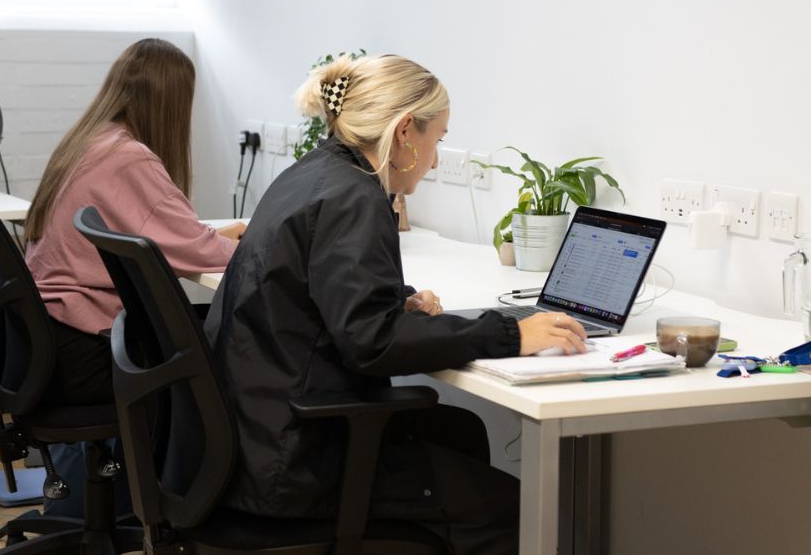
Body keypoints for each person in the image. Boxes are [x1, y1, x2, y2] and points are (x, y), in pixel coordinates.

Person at [204, 53, 587, 553]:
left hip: (250, 437)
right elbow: (373, 344)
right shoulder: (355, 198)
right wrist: (511, 333)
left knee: (460, 430)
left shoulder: (315, 174)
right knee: (522, 510)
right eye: (439, 139)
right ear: (406, 131)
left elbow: (320, 293)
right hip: (291, 462)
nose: (435, 158)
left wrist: (393, 302)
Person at [25, 37, 244, 407]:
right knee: (233, 337)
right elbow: (198, 249)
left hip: (48, 339)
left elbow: (163, 237)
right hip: (84, 353)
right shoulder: (129, 158)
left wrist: (212, 238)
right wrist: (259, 246)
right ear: (170, 104)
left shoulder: (90, 140)